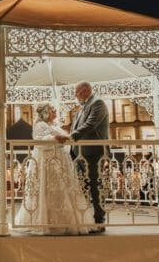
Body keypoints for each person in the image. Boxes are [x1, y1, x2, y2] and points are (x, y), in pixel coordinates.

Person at [15, 103, 94, 235]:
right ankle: (51, 222)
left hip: (58, 161)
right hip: (49, 163)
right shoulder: (40, 125)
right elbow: (39, 140)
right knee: (52, 190)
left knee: (63, 190)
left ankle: (66, 221)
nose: (55, 111)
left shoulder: (53, 125)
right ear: (45, 112)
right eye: (52, 110)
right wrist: (55, 138)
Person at [56, 81, 110, 232]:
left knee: (95, 186)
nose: (75, 95)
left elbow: (90, 125)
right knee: (83, 187)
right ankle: (87, 219)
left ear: (85, 90)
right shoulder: (81, 107)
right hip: (79, 153)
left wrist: (69, 137)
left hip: (93, 152)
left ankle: (100, 220)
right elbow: (76, 127)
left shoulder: (98, 103)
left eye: (77, 92)